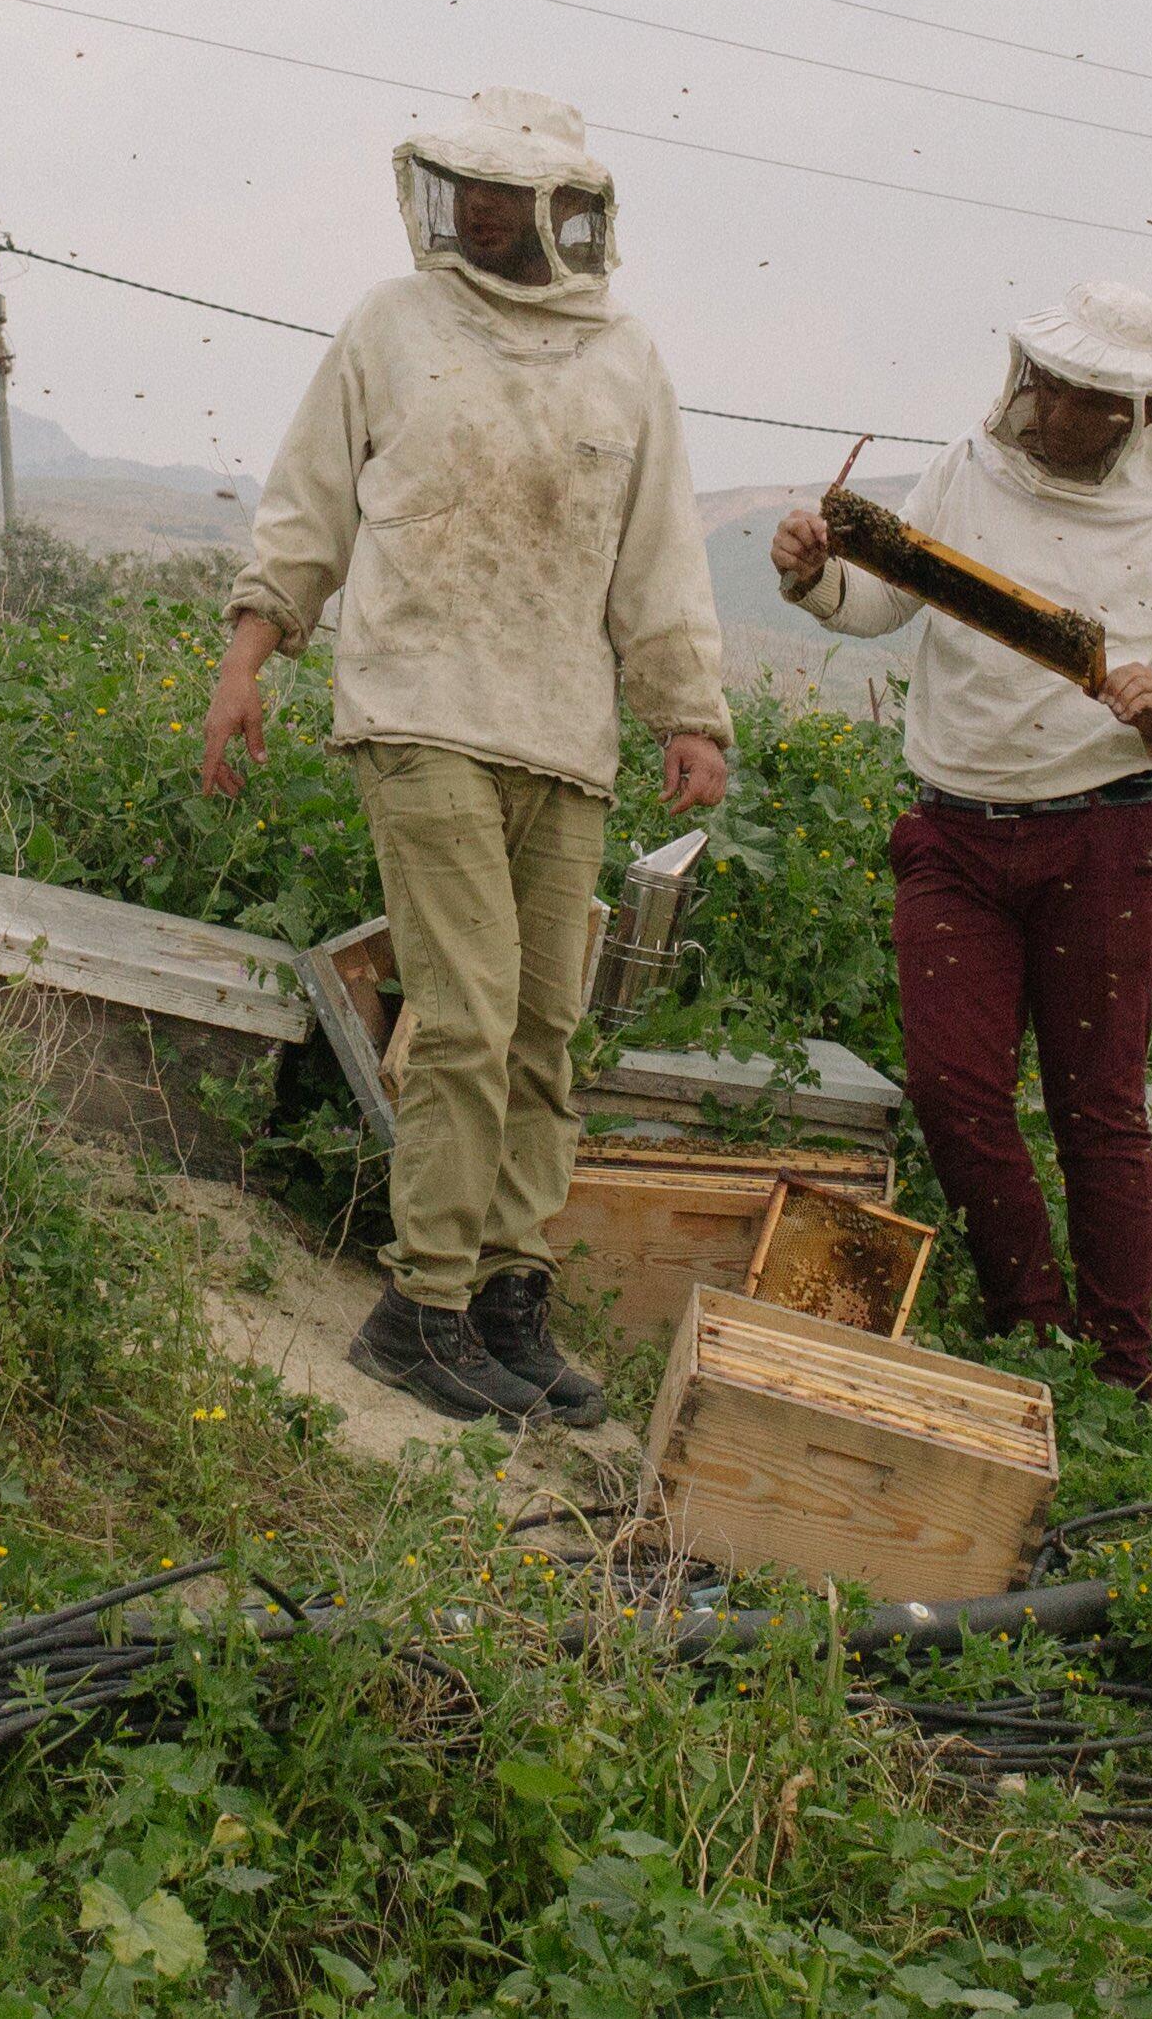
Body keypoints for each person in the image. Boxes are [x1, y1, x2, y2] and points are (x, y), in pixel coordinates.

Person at [201, 89, 733, 1427]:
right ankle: (420, 1303)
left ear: (568, 213)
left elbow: (659, 546)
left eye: (504, 194)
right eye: (463, 187)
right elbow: (310, 496)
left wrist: (689, 710)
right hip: (421, 699)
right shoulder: (392, 323)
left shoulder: (625, 355)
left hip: (563, 725)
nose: (478, 211)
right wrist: (249, 655)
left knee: (549, 1023)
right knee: (469, 1007)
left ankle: (509, 1295)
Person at [769, 282, 1152, 1394]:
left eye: (1076, 396)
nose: (1043, 408)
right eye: (1039, 381)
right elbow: (879, 603)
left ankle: (1120, 1376)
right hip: (955, 831)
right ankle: (1031, 1334)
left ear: (1131, 409)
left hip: (1105, 837)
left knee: (1097, 1105)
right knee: (954, 1090)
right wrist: (811, 570)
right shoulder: (961, 466)